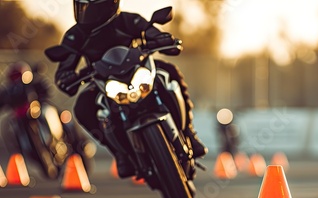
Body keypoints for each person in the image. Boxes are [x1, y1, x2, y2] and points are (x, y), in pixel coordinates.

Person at [52, 0, 207, 178]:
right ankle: (120, 153)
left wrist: (162, 39)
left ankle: (189, 131)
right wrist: (65, 77)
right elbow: (65, 65)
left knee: (169, 72)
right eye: (81, 5)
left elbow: (151, 32)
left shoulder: (127, 20)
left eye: (89, 6)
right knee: (82, 107)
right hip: (104, 83)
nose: (84, 11)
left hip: (139, 71)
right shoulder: (75, 35)